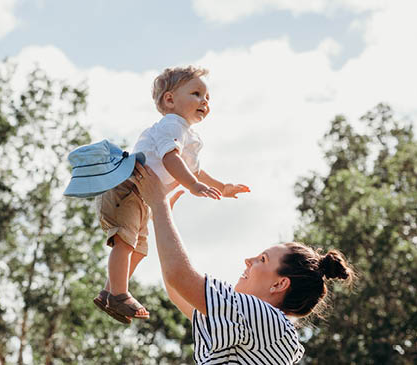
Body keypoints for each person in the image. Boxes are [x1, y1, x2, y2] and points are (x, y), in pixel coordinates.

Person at [130, 163, 355, 364]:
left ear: (279, 284)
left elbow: (179, 277)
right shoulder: (257, 327)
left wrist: (159, 204)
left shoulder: (268, 319)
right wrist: (159, 217)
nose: (248, 260)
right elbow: (178, 289)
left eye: (262, 259)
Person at [92, 66, 250, 324]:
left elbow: (196, 170)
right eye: (197, 94)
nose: (204, 101)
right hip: (127, 187)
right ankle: (119, 293)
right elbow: (170, 159)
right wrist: (192, 185)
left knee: (139, 250)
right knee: (125, 242)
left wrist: (223, 187)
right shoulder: (171, 126)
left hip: (142, 197)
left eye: (207, 97)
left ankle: (110, 292)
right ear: (169, 99)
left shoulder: (189, 135)